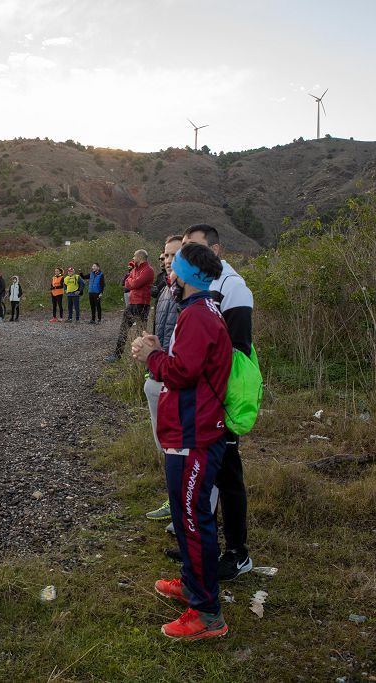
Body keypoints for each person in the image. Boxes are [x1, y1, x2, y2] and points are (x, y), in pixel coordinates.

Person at [131, 242, 231, 640]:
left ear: (188, 273)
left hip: (195, 436)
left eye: (174, 264)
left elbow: (182, 373)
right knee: (187, 516)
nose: (167, 270)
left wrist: (151, 357)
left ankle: (208, 614)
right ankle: (192, 585)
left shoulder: (199, 317)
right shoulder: (199, 311)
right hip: (186, 432)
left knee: (193, 521)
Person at [184, 223, 256, 581]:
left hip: (221, 400)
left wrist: (219, 401)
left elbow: (239, 352)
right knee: (203, 477)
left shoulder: (234, 288)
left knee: (228, 475)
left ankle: (238, 553)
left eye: (192, 248)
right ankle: (203, 547)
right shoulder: (200, 286)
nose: (186, 256)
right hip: (200, 399)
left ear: (215, 250)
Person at [144, 235, 184, 522]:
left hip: (176, 377)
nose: (168, 260)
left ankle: (185, 510)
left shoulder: (190, 292)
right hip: (158, 373)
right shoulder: (166, 289)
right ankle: (174, 502)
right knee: (165, 446)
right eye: (165, 255)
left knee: (180, 448)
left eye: (174, 255)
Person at [109, 250, 154, 361]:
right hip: (132, 303)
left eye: (134, 256)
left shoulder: (148, 270)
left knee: (140, 331)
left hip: (142, 305)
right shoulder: (134, 270)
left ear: (140, 256)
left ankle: (140, 358)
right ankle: (117, 355)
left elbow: (134, 284)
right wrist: (131, 281)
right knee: (123, 329)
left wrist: (131, 281)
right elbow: (127, 283)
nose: (133, 258)